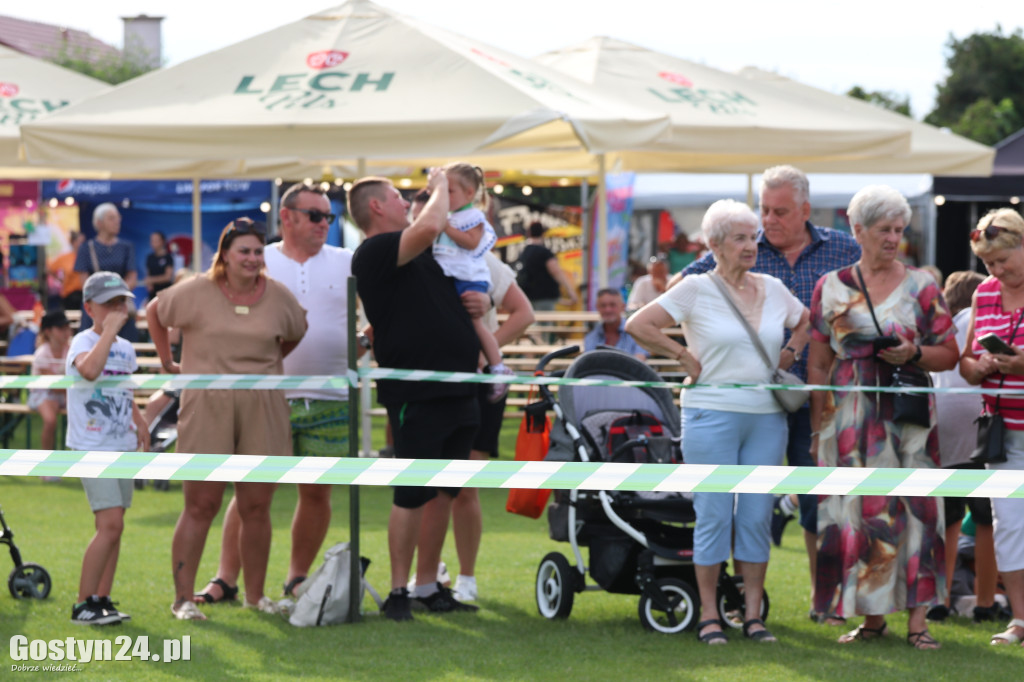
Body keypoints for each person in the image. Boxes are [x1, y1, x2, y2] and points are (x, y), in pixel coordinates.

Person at [678, 165, 861, 624]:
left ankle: (826, 603)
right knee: (741, 505)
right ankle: (736, 607)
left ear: (805, 210)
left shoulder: (842, 248)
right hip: (757, 403)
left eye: (780, 212)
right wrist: (688, 349)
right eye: (763, 210)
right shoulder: (743, 247)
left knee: (822, 499)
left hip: (820, 395)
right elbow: (684, 292)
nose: (768, 221)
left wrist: (805, 345)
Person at [627, 199, 810, 645]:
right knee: (712, 514)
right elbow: (639, 324)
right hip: (709, 415)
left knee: (754, 516)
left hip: (767, 418)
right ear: (714, 245)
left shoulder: (771, 285)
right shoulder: (695, 287)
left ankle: (751, 616)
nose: (752, 246)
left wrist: (791, 353)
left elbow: (806, 320)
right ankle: (708, 615)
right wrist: (682, 355)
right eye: (741, 238)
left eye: (754, 237)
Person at [808, 185, 958, 650]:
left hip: (907, 419)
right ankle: (871, 620)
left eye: (899, 229)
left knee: (915, 512)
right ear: (858, 231)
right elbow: (817, 363)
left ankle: (919, 623)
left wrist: (915, 352)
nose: (894, 238)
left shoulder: (922, 286)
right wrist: (819, 426)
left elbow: (951, 354)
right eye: (884, 230)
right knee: (856, 513)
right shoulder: (830, 286)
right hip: (847, 418)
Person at [147, 217, 307, 620]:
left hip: (263, 406)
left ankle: (256, 596)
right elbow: (154, 311)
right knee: (201, 503)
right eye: (244, 251)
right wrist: (168, 361)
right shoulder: (196, 291)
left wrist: (265, 367)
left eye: (258, 251)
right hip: (207, 405)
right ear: (225, 255)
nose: (253, 259)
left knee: (256, 504)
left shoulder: (278, 295)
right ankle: (183, 600)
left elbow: (294, 332)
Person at [211, 183, 357, 602]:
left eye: (329, 216)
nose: (324, 223)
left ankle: (297, 578)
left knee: (317, 491)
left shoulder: (349, 261)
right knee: (251, 490)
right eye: (315, 215)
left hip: (330, 396)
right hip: (265, 396)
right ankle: (226, 578)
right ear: (287, 217)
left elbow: (382, 308)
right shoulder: (259, 258)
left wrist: (366, 338)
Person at [349, 170, 479, 621]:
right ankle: (399, 589)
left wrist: (474, 307)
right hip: (417, 393)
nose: (408, 201)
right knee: (411, 492)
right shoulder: (374, 250)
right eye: (397, 197)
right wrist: (441, 183)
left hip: (459, 387)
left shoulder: (422, 255)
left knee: (444, 491)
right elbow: (427, 225)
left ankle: (427, 585)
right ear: (377, 208)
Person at [409, 189, 536, 602]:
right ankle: (427, 574)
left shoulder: (481, 257)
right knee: (424, 484)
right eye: (418, 216)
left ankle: (466, 578)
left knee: (464, 485)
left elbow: (524, 313)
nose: (424, 224)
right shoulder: (411, 259)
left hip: (477, 385)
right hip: (428, 383)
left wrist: (486, 353)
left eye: (430, 215)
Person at [957, 208, 1024, 646]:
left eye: (1003, 260)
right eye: (988, 264)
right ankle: (1021, 620)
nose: (997, 270)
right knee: (1009, 526)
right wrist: (977, 367)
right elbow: (962, 361)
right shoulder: (983, 295)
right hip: (1003, 432)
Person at [68, 272, 150, 625]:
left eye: (122, 302)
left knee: (117, 526)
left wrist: (140, 420)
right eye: (109, 304)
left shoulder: (127, 349)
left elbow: (123, 390)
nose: (118, 308)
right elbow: (88, 370)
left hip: (122, 444)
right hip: (92, 446)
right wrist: (109, 332)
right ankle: (83, 604)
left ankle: (102, 599)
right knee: (110, 524)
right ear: (89, 308)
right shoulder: (82, 341)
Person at [928, 271, 1000, 623]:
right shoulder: (984, 317)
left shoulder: (943, 325)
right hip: (981, 424)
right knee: (987, 517)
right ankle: (985, 602)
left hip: (943, 425)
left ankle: (939, 598)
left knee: (949, 516)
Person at [435, 162, 513, 402]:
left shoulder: (472, 216)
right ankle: (474, 367)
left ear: (469, 193)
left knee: (477, 324)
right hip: (456, 275)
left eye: (449, 191)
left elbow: (471, 242)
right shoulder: (451, 216)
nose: (445, 197)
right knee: (463, 324)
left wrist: (445, 227)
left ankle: (497, 367)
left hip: (470, 278)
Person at [75, 204, 139, 341]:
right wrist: (104, 298)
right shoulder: (86, 248)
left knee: (124, 348)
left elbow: (132, 278)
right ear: (99, 223)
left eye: (118, 218)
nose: (117, 221)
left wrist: (114, 296)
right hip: (95, 308)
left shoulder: (126, 247)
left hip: (120, 307)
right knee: (92, 347)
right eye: (111, 218)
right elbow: (84, 283)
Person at [29, 310, 72, 453]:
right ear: (48, 331)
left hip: (65, 392)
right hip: (42, 393)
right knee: (50, 420)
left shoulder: (71, 350)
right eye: (61, 328)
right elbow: (53, 387)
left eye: (67, 327)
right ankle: (46, 464)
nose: (66, 331)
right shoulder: (42, 353)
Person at [515, 221, 578, 311]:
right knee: (545, 323)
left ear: (529, 233)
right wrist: (570, 291)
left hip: (528, 297)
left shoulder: (524, 252)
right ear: (543, 233)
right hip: (544, 298)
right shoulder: (544, 252)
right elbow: (556, 272)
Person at [584, 288, 649, 360]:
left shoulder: (637, 333)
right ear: (597, 308)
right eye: (603, 305)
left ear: (623, 307)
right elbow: (590, 364)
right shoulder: (591, 337)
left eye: (612, 305)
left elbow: (639, 361)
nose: (608, 310)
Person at [48, 231, 85, 311]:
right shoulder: (65, 258)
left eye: (83, 242)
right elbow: (50, 268)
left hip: (84, 295)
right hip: (69, 296)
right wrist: (59, 279)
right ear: (73, 243)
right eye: (80, 242)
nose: (82, 244)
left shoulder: (87, 257)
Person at [143, 231, 175, 301]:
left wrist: (152, 280)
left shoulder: (168, 257)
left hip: (165, 292)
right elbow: (148, 275)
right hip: (153, 294)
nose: (153, 243)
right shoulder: (150, 257)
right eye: (152, 240)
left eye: (156, 240)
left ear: (162, 241)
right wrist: (149, 284)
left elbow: (168, 277)